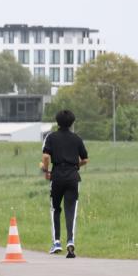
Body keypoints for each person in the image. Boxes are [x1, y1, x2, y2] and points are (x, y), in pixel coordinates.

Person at [41, 110, 89, 258]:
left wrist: (46, 170)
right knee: (71, 211)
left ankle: (56, 242)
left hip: (57, 176)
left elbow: (46, 156)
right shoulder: (77, 138)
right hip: (73, 177)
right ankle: (70, 241)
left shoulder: (51, 137)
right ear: (72, 122)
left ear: (57, 122)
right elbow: (85, 159)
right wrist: (76, 166)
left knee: (55, 209)